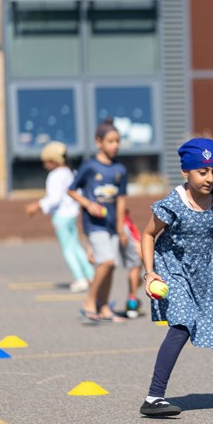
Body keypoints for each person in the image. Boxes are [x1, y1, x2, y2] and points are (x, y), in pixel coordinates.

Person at [138, 138, 213, 417]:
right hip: (172, 269)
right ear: (186, 172)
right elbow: (148, 234)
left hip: (206, 273)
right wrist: (150, 272)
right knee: (182, 324)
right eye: (203, 172)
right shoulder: (174, 203)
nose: (210, 178)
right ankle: (153, 397)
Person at [68, 120, 128, 323]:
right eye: (110, 141)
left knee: (111, 266)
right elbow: (71, 189)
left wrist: (120, 229)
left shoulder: (120, 169)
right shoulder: (90, 166)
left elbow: (120, 200)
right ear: (98, 142)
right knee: (106, 261)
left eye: (117, 141)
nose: (115, 145)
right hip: (94, 224)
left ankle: (104, 308)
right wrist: (87, 204)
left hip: (112, 225)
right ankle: (89, 302)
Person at [25, 141, 94, 293]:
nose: (44, 165)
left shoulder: (55, 175)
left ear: (53, 160)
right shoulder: (70, 172)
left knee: (68, 249)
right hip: (72, 213)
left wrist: (36, 206)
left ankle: (80, 278)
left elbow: (54, 198)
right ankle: (90, 275)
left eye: (46, 161)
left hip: (61, 216)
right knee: (75, 246)